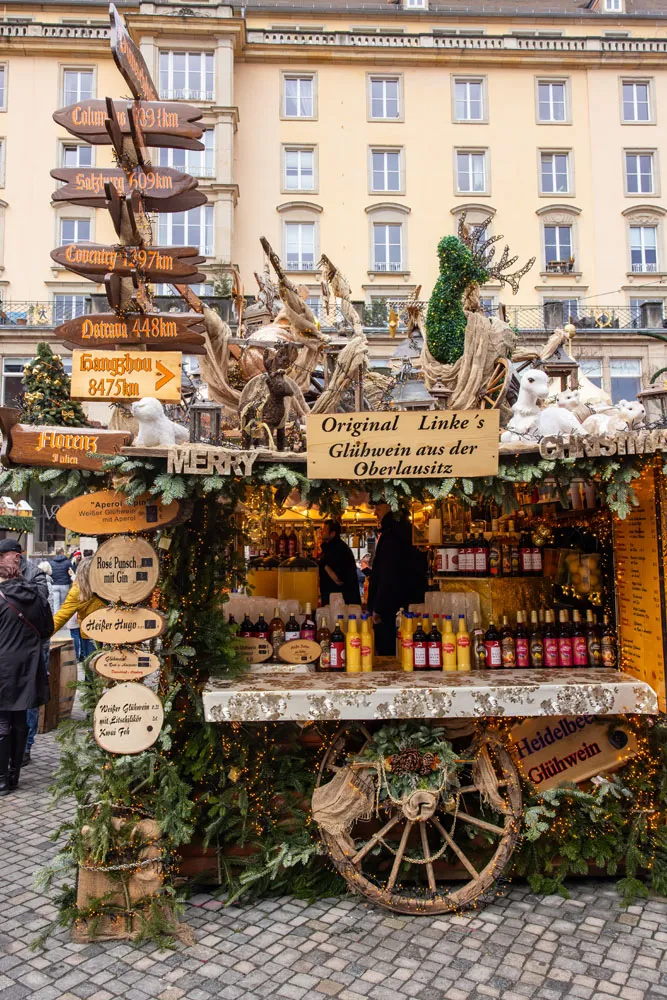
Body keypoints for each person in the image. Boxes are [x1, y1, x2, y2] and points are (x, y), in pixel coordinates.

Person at [0, 539, 54, 795]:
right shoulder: (36, 594)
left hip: (3, 666)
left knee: (2, 722)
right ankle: (13, 775)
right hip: (27, 664)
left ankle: (1, 780)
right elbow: (47, 630)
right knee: (19, 719)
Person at [367, 503, 427, 656]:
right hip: (411, 602)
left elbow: (388, 574)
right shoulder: (410, 530)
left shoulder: (392, 534)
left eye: (378, 509)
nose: (375, 513)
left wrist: (378, 607)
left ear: (390, 507)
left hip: (392, 607)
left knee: (392, 651)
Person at [22, 561, 56, 766]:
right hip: (11, 645)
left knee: (31, 695)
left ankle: (26, 746)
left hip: (35, 644)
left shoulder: (35, 575)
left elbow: (43, 609)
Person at [51, 556, 105, 662]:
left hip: (98, 633)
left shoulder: (79, 590)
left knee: (93, 667)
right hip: (95, 634)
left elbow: (61, 616)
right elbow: (60, 617)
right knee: (93, 667)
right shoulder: (81, 591)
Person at [318, 520, 360, 606]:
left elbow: (339, 580)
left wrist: (324, 565)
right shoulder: (329, 549)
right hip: (332, 601)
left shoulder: (340, 550)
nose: (321, 532)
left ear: (332, 534)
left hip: (342, 604)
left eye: (325, 530)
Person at [49, 546, 73, 612]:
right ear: (62, 552)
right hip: (64, 584)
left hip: (54, 585)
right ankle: (63, 620)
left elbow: (49, 572)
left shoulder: (51, 562)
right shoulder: (68, 562)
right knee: (63, 604)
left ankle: (56, 620)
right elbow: (71, 572)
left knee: (55, 604)